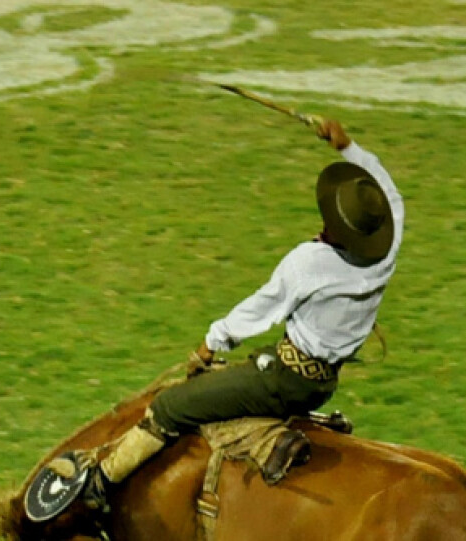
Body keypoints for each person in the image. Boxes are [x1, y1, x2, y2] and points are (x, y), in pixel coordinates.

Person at [82, 118, 405, 511]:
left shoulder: (310, 262)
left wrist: (210, 344)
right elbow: (389, 191)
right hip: (324, 383)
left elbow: (260, 308)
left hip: (286, 380)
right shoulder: (386, 247)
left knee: (172, 406)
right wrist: (346, 146)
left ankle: (100, 484)